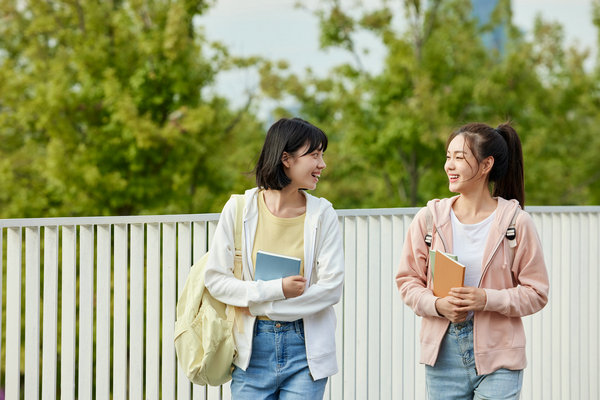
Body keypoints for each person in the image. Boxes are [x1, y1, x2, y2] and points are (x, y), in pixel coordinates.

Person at [395, 122, 549, 399]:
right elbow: (407, 281)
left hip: (499, 356)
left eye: (459, 158)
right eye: (448, 157)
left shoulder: (516, 223)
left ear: (486, 164)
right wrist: (438, 305)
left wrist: (486, 299)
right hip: (442, 356)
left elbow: (537, 293)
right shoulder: (429, 219)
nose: (449, 166)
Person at [205, 117, 344, 399]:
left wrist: (265, 306)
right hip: (251, 350)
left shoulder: (323, 214)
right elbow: (216, 280)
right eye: (314, 155)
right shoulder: (239, 209)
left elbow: (331, 288)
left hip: (305, 349)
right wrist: (275, 290)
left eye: (322, 156)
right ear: (286, 158)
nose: (322, 165)